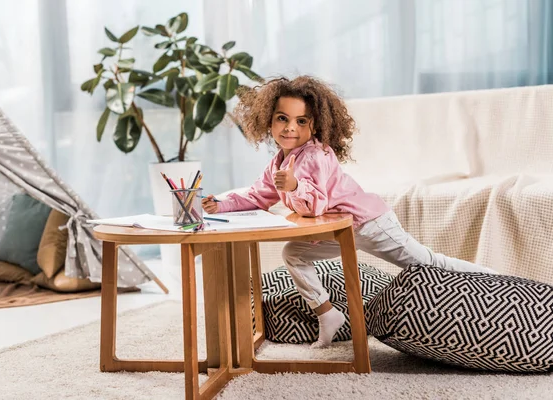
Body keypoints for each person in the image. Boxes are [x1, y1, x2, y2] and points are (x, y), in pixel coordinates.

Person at [202, 76, 498, 349]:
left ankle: (493, 280)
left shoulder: (318, 155)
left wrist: (292, 186)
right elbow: (258, 195)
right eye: (282, 119)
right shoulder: (279, 161)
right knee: (294, 253)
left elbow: (316, 203)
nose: (290, 127)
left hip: (369, 223)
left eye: (301, 121)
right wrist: (223, 203)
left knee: (426, 264)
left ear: (315, 126)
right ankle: (327, 314)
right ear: (269, 121)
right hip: (338, 231)